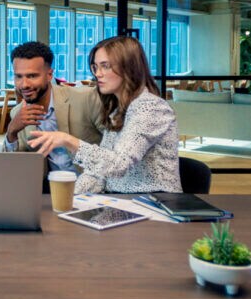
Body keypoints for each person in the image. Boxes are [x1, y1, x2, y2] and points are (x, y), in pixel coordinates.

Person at [28, 35, 181, 194]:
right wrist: (67, 198)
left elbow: (119, 164)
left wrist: (69, 140)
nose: (98, 74)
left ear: (129, 67)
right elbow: (99, 173)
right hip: (122, 203)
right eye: (95, 67)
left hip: (156, 203)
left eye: (105, 66)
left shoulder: (151, 107)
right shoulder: (117, 111)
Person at [2, 41, 102, 179]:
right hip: (53, 189)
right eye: (18, 76)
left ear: (49, 75)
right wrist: (11, 131)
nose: (24, 84)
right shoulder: (18, 113)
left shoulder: (85, 99)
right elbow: (10, 168)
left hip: (97, 186)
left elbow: (117, 152)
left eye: (32, 76)